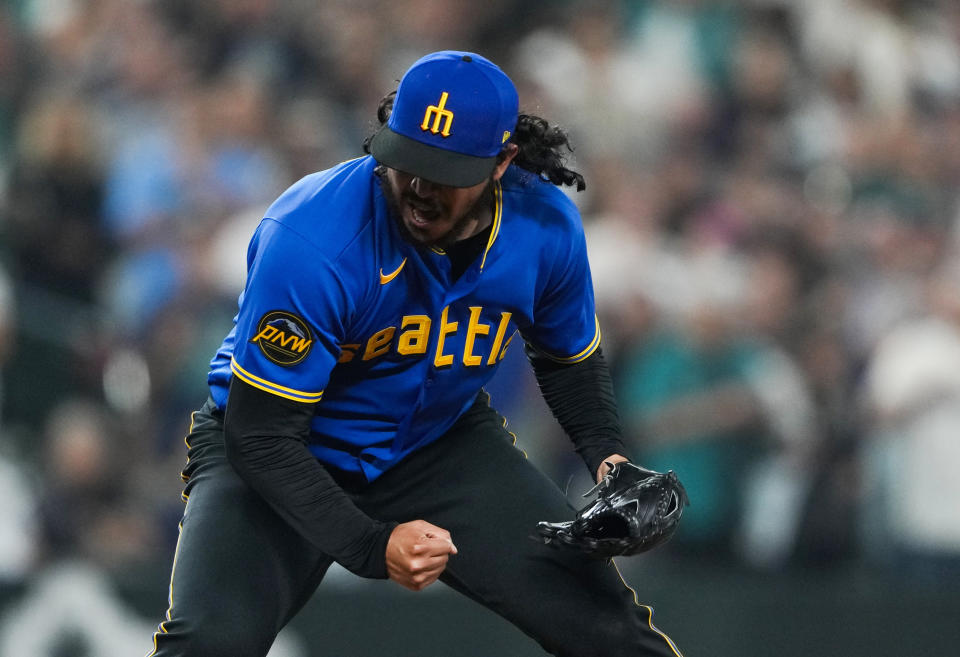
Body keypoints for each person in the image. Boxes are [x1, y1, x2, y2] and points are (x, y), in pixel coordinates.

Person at [146, 50, 684, 657]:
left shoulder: (543, 225)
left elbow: (567, 358)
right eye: (408, 163)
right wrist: (374, 545)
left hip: (438, 442)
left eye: (446, 171)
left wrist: (608, 459)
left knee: (610, 628)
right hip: (285, 446)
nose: (421, 189)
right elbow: (261, 436)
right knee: (209, 642)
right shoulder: (313, 237)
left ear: (503, 162)